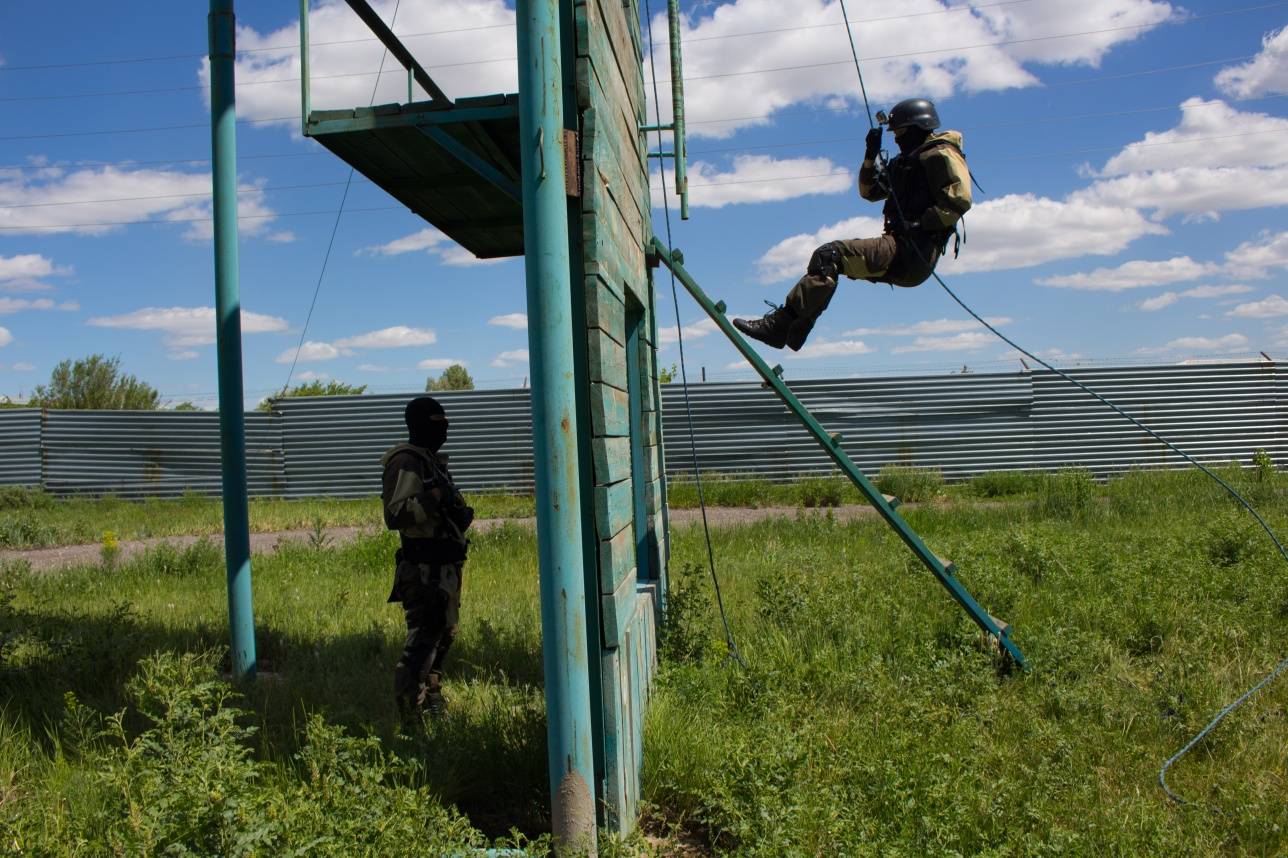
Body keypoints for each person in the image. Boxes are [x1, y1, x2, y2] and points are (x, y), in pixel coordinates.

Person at [733, 97, 972, 351]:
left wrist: (920, 224)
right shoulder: (906, 161)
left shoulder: (940, 153)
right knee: (830, 260)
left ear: (918, 127)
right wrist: (870, 157)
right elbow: (869, 192)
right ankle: (792, 331)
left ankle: (782, 327)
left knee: (830, 255)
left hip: (913, 252)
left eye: (900, 132)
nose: (897, 138)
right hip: (901, 248)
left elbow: (959, 200)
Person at [381, 395, 474, 727]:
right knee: (422, 644)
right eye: (438, 423)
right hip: (423, 571)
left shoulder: (432, 462)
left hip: (444, 570)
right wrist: (434, 499)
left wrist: (455, 508)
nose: (445, 428)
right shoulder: (406, 461)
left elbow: (456, 514)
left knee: (443, 636)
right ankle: (410, 720)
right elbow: (395, 515)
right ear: (419, 425)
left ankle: (433, 701)